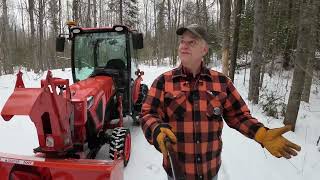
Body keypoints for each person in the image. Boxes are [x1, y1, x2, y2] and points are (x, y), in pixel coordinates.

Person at [140, 24, 301, 180]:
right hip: (176, 172)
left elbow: (239, 115)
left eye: (192, 42)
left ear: (204, 49)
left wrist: (261, 133)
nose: (184, 45)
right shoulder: (164, 82)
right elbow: (148, 113)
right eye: (182, 41)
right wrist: (155, 129)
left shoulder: (221, 82)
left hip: (210, 171)